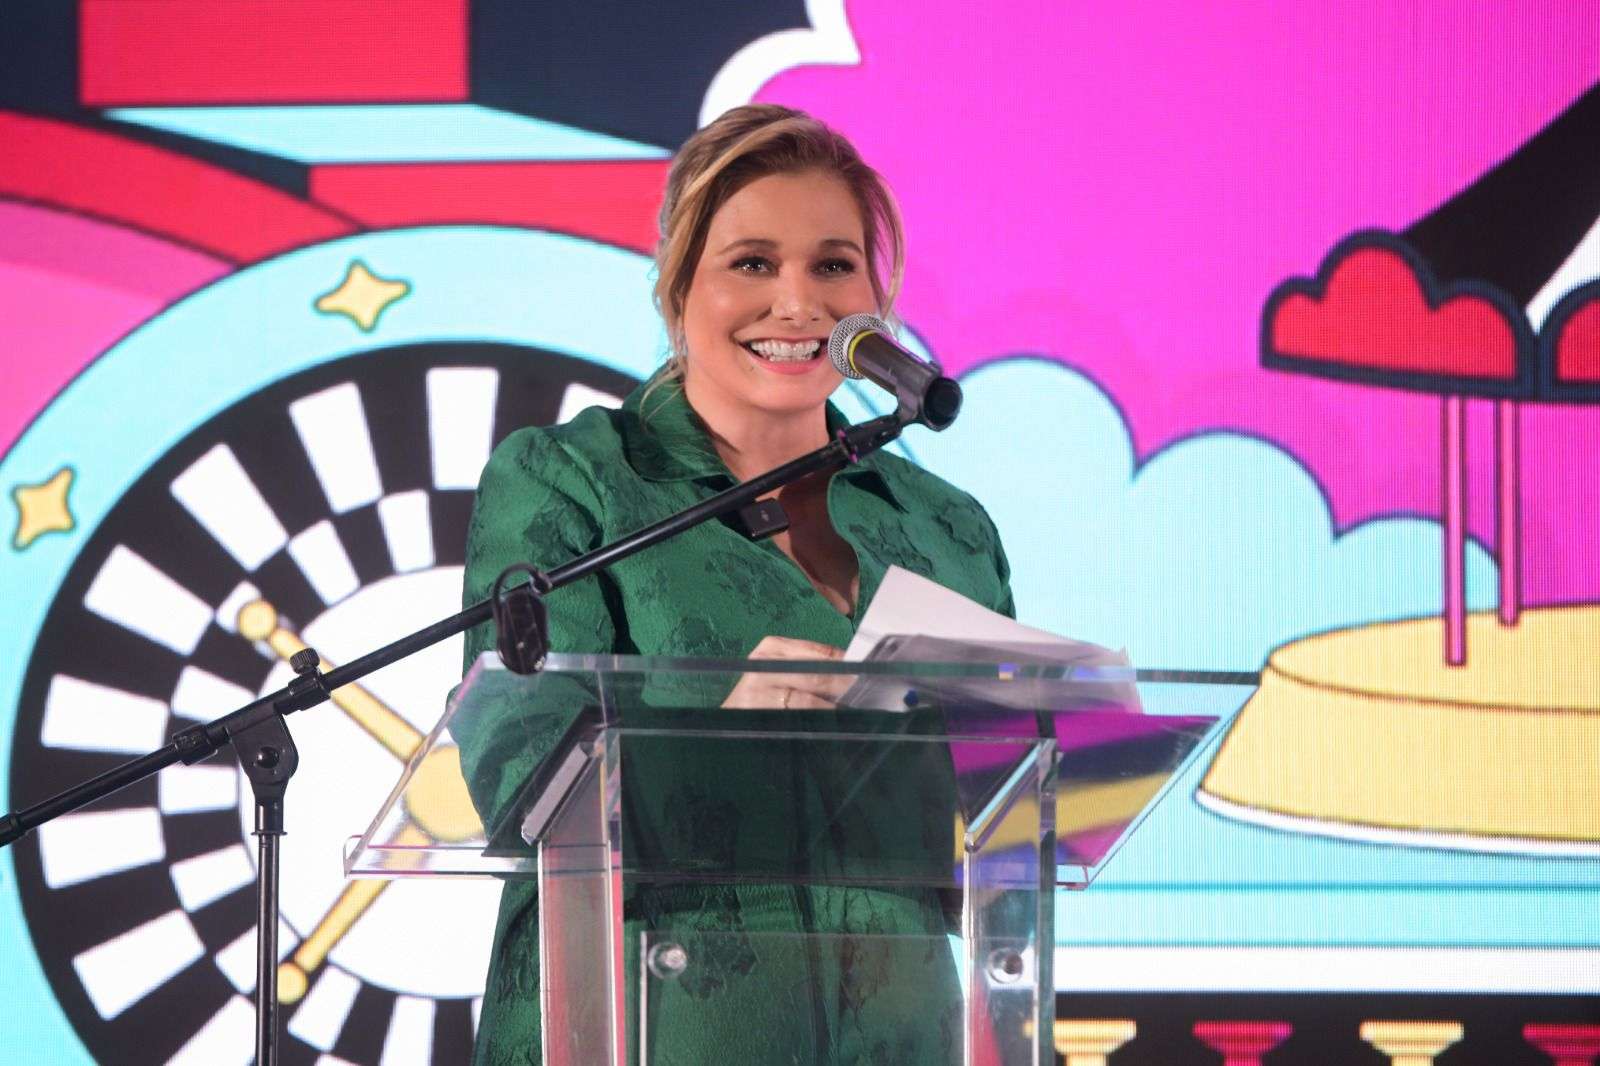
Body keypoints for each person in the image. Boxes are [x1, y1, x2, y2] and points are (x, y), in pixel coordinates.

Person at [455, 103, 1014, 1065]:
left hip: (899, 1036)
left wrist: (1068, 748)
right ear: (678, 289)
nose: (797, 305)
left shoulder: (946, 526)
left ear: (875, 302)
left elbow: (1018, 823)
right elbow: (516, 767)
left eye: (833, 266)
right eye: (752, 263)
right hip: (652, 1028)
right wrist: (714, 737)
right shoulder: (572, 480)